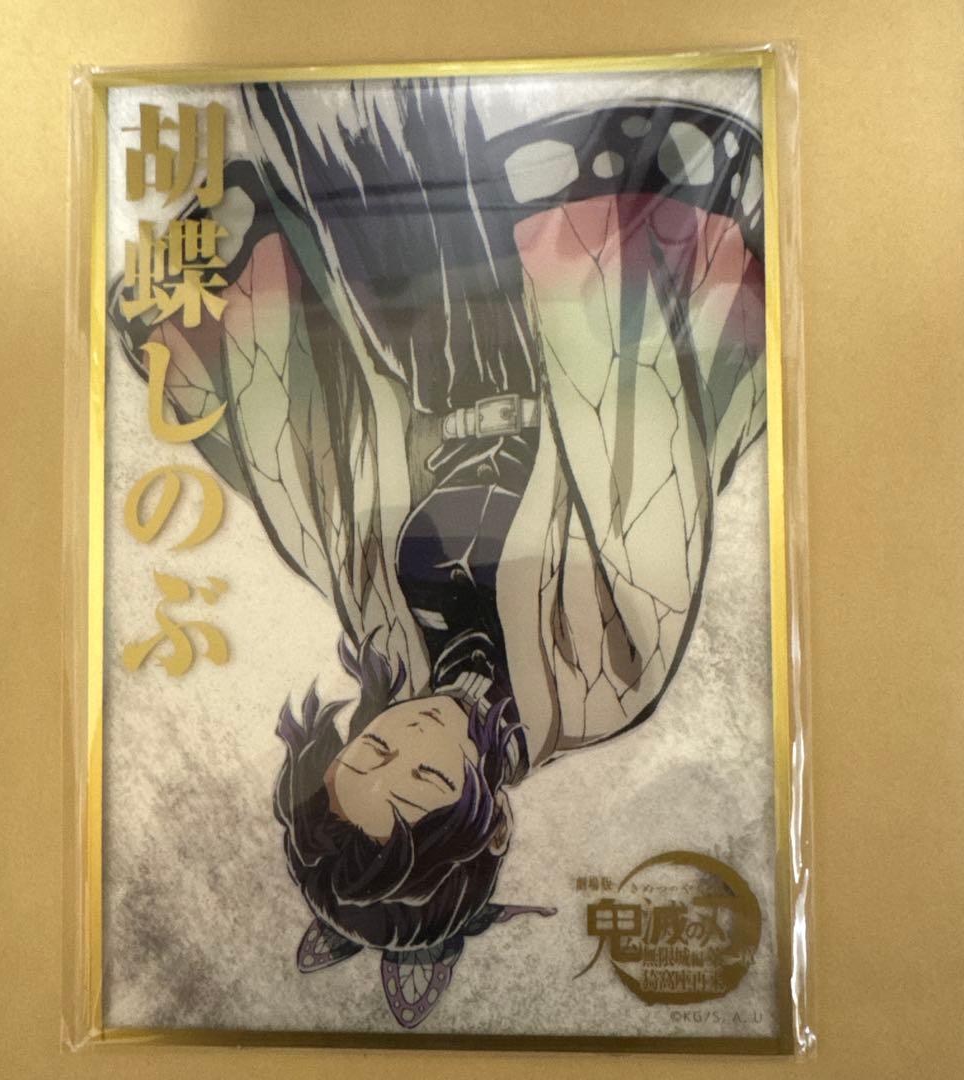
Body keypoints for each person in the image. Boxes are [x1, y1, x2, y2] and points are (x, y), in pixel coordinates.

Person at [111, 77, 768, 1026]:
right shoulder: (609, 681)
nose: (410, 736)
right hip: (551, 329)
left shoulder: (391, 649)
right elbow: (649, 473)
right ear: (485, 821)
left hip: (419, 342)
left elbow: (323, 505)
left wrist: (214, 350)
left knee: (330, 114)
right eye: (423, 777)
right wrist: (575, 246)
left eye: (373, 749)